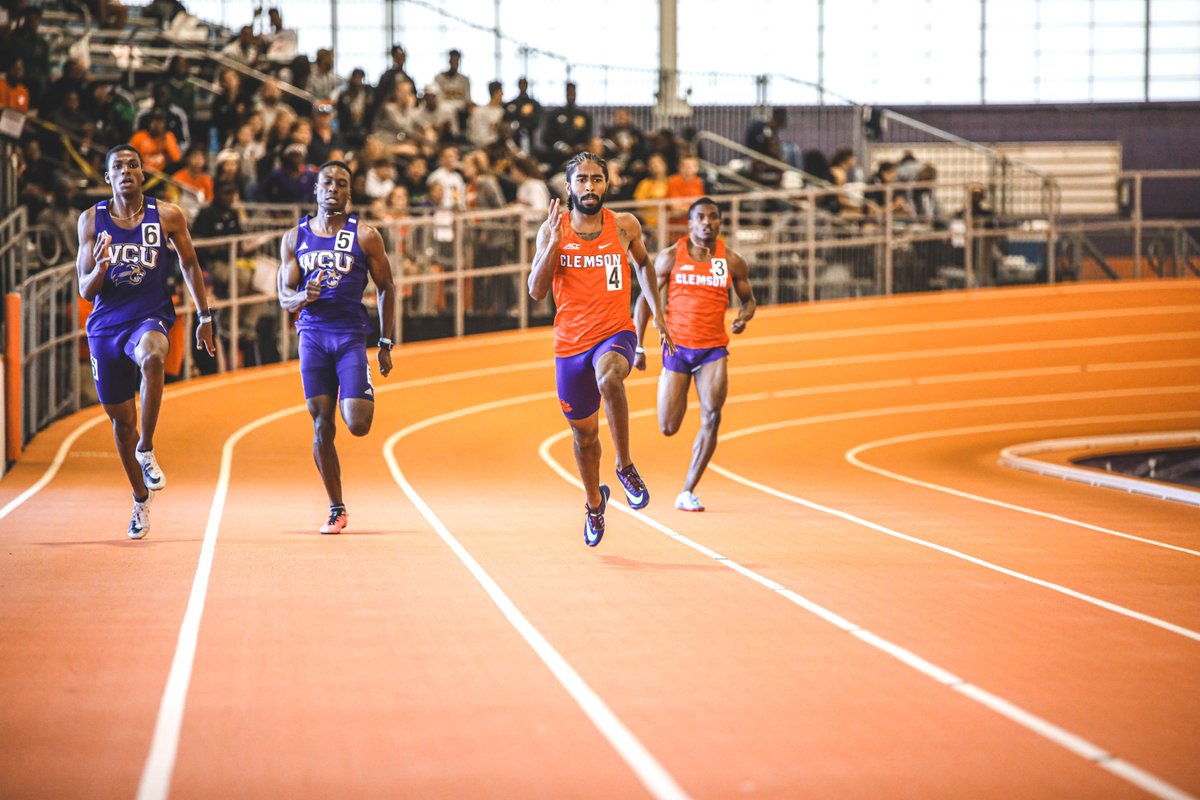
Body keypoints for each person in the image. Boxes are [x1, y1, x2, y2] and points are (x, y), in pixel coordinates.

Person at [528, 152, 674, 547]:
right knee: (585, 440)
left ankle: (625, 465)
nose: (589, 187)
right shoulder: (552, 229)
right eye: (581, 180)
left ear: (607, 185)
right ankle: (594, 503)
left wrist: (656, 313)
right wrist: (552, 247)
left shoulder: (624, 226)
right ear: (568, 186)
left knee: (610, 376)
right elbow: (537, 291)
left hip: (615, 332)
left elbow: (644, 265)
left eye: (597, 179)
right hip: (570, 345)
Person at [75, 145, 216, 539]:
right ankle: (140, 499)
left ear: (143, 173)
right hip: (105, 327)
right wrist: (101, 268)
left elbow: (189, 263)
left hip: (148, 316)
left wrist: (204, 315)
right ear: (108, 177)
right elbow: (85, 290)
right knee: (122, 422)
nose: (126, 171)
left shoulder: (167, 215)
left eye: (132, 165)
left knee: (154, 356)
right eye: (117, 166)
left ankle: (147, 448)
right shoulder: (90, 221)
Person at [277, 160, 396, 534]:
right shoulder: (294, 238)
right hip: (312, 336)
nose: (333, 189)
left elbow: (386, 287)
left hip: (349, 336)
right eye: (327, 182)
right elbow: (282, 296)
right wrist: (300, 296)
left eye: (341, 184)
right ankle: (336, 507)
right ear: (316, 189)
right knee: (321, 425)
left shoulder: (365, 236)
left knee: (358, 424)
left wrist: (386, 341)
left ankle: (355, 385)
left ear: (350, 191)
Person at [633, 197, 755, 512]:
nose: (707, 222)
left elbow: (749, 299)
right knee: (668, 427)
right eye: (700, 217)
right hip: (677, 349)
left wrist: (743, 316)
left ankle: (688, 490)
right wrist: (638, 344)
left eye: (713, 217)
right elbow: (645, 300)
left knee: (712, 416)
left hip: (713, 349)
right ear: (690, 224)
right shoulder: (671, 257)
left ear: (719, 222)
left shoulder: (731, 261)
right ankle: (668, 384)